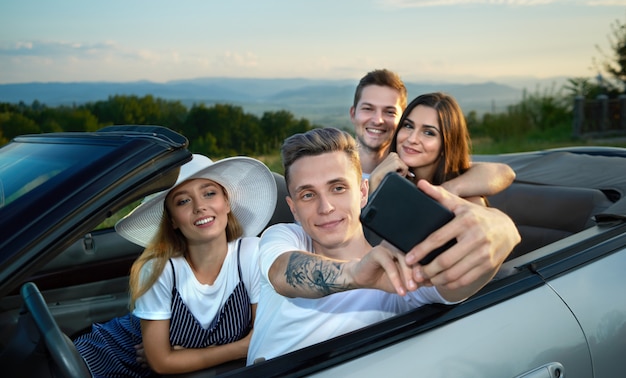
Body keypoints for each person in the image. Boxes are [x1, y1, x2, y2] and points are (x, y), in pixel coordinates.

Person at [247, 127, 520, 364]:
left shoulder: (399, 266)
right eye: (308, 195)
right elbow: (284, 272)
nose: (325, 207)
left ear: (363, 192)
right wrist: (356, 274)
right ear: (293, 208)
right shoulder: (285, 236)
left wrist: (500, 230)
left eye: (338, 188)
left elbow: (454, 280)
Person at [73, 154, 277, 377]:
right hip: (103, 360)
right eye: (183, 201)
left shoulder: (250, 253)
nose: (200, 207)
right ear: (172, 220)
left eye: (209, 193)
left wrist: (189, 354)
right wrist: (239, 348)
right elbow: (161, 362)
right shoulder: (159, 268)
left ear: (226, 203)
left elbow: (262, 340)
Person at [350, 70, 514, 199]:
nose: (378, 120)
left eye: (389, 112)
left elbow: (503, 172)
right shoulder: (335, 168)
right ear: (352, 113)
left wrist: (443, 192)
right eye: (368, 109)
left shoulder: (415, 173)